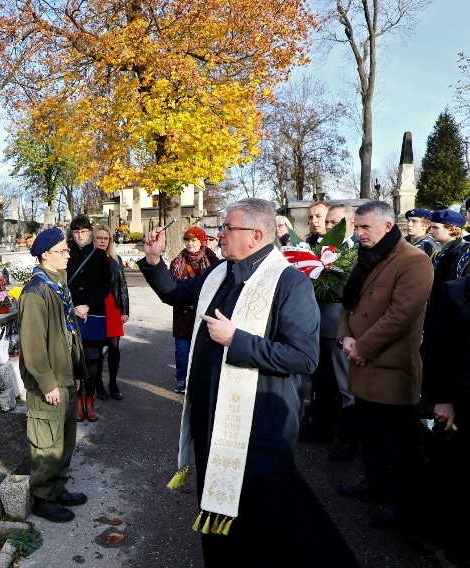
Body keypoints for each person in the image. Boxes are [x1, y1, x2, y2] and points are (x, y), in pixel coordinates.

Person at [140, 198, 357, 567]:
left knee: (263, 520)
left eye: (227, 228)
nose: (218, 235)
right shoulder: (220, 274)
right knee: (218, 512)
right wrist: (154, 260)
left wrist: (236, 340)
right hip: (212, 421)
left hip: (258, 427)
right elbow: (175, 295)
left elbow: (304, 357)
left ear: (255, 235)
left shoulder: (289, 283)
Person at [336, 200, 433, 528]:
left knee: (400, 443)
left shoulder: (414, 261)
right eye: (357, 227)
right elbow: (349, 302)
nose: (359, 233)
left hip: (389, 367)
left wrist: (363, 347)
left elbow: (401, 316)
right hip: (361, 361)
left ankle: (405, 503)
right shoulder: (369, 255)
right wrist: (345, 336)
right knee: (372, 434)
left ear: (388, 227)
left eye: (365, 228)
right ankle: (375, 482)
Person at [18, 227, 89, 523]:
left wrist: (73, 372)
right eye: (62, 251)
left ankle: (57, 487)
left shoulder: (57, 285)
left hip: (64, 374)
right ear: (45, 254)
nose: (68, 255)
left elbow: (67, 334)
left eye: (67, 250)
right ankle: (43, 497)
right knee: (46, 442)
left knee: (64, 438)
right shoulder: (36, 292)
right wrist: (48, 383)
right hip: (47, 381)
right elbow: (33, 345)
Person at [301, 204, 359, 461]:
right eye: (328, 223)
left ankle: (348, 437)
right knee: (321, 383)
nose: (327, 227)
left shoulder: (357, 250)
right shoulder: (318, 248)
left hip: (342, 328)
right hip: (318, 326)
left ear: (351, 224)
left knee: (346, 386)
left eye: (334, 223)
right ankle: (322, 426)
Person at [419, 274, 470, 567]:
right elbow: (437, 351)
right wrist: (443, 399)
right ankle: (456, 538)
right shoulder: (454, 292)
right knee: (459, 474)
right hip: (462, 399)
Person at [67, 215, 111, 421]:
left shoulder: (99, 255)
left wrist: (88, 305)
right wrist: (74, 306)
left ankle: (89, 399)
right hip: (71, 311)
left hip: (93, 312)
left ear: (90, 232)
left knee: (93, 357)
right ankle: (77, 400)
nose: (80, 236)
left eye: (84, 232)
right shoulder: (66, 253)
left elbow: (105, 285)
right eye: (76, 232)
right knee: (74, 357)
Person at [169, 226, 218, 394]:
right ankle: (182, 379)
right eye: (187, 240)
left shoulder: (213, 261)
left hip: (205, 312)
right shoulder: (177, 262)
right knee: (182, 348)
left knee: (203, 350)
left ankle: (200, 380)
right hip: (183, 314)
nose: (190, 244)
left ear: (201, 241)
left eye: (194, 240)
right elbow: (171, 287)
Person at [93, 225, 129, 401]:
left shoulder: (115, 260)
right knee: (97, 348)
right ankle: (98, 383)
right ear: (94, 239)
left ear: (109, 241)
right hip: (96, 309)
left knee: (114, 347)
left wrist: (125, 310)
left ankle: (113, 382)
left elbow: (122, 285)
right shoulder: (89, 258)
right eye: (99, 238)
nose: (102, 241)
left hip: (113, 308)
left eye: (105, 238)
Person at [429, 209, 470, 292]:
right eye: (431, 227)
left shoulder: (462, 253)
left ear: (452, 229)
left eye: (435, 227)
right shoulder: (444, 251)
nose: (430, 231)